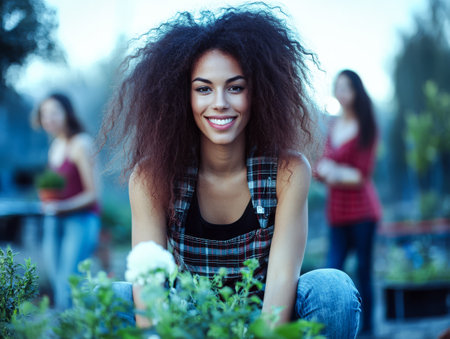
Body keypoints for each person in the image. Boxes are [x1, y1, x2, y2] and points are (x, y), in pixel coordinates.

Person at [104, 5, 361, 338]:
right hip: (188, 321)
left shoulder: (288, 172)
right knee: (112, 297)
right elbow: (149, 287)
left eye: (235, 87)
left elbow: (283, 280)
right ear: (183, 97)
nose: (220, 103)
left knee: (332, 289)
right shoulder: (153, 177)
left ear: (258, 94)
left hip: (263, 320)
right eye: (204, 89)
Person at [315, 70, 382, 335]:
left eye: (347, 88)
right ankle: (333, 329)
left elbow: (361, 175)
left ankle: (368, 330)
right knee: (332, 271)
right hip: (337, 213)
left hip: (363, 213)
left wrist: (334, 171)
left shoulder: (367, 127)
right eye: (338, 87)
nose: (341, 93)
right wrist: (327, 171)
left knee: (364, 271)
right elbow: (322, 167)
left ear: (357, 92)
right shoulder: (332, 126)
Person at [34, 93, 101, 310]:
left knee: (69, 281)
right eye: (44, 114)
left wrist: (61, 206)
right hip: (55, 220)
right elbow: (55, 189)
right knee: (57, 281)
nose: (48, 119)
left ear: (67, 113)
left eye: (54, 112)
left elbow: (93, 194)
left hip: (80, 220)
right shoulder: (55, 146)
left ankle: (76, 329)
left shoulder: (81, 143)